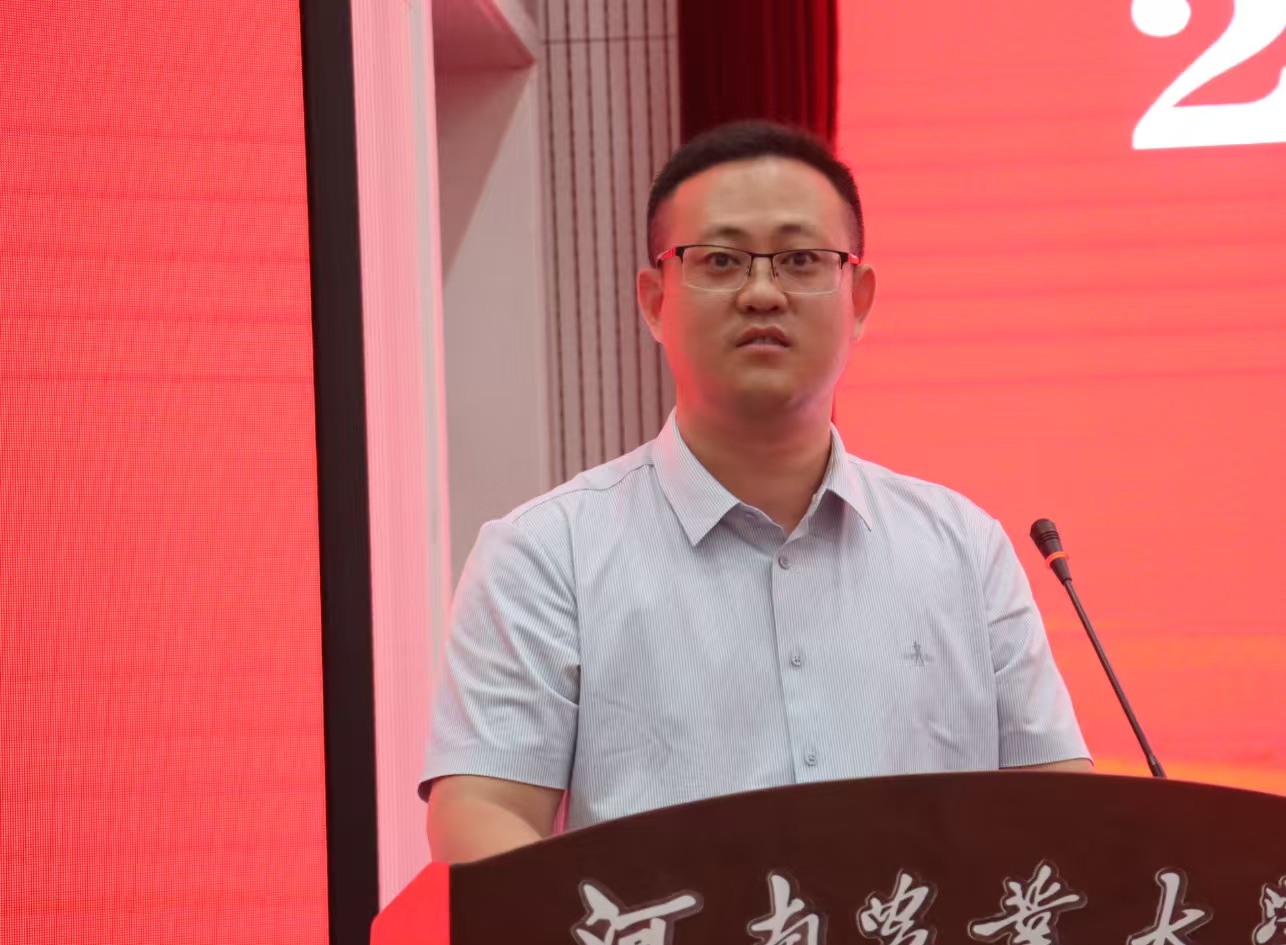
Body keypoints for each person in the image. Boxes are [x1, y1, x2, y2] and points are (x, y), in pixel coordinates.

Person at [422, 120, 1092, 864]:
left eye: (801, 260)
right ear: (654, 300)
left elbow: (1064, 814)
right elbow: (481, 813)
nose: (763, 293)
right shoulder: (547, 556)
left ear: (859, 299)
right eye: (721, 260)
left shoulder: (962, 548)